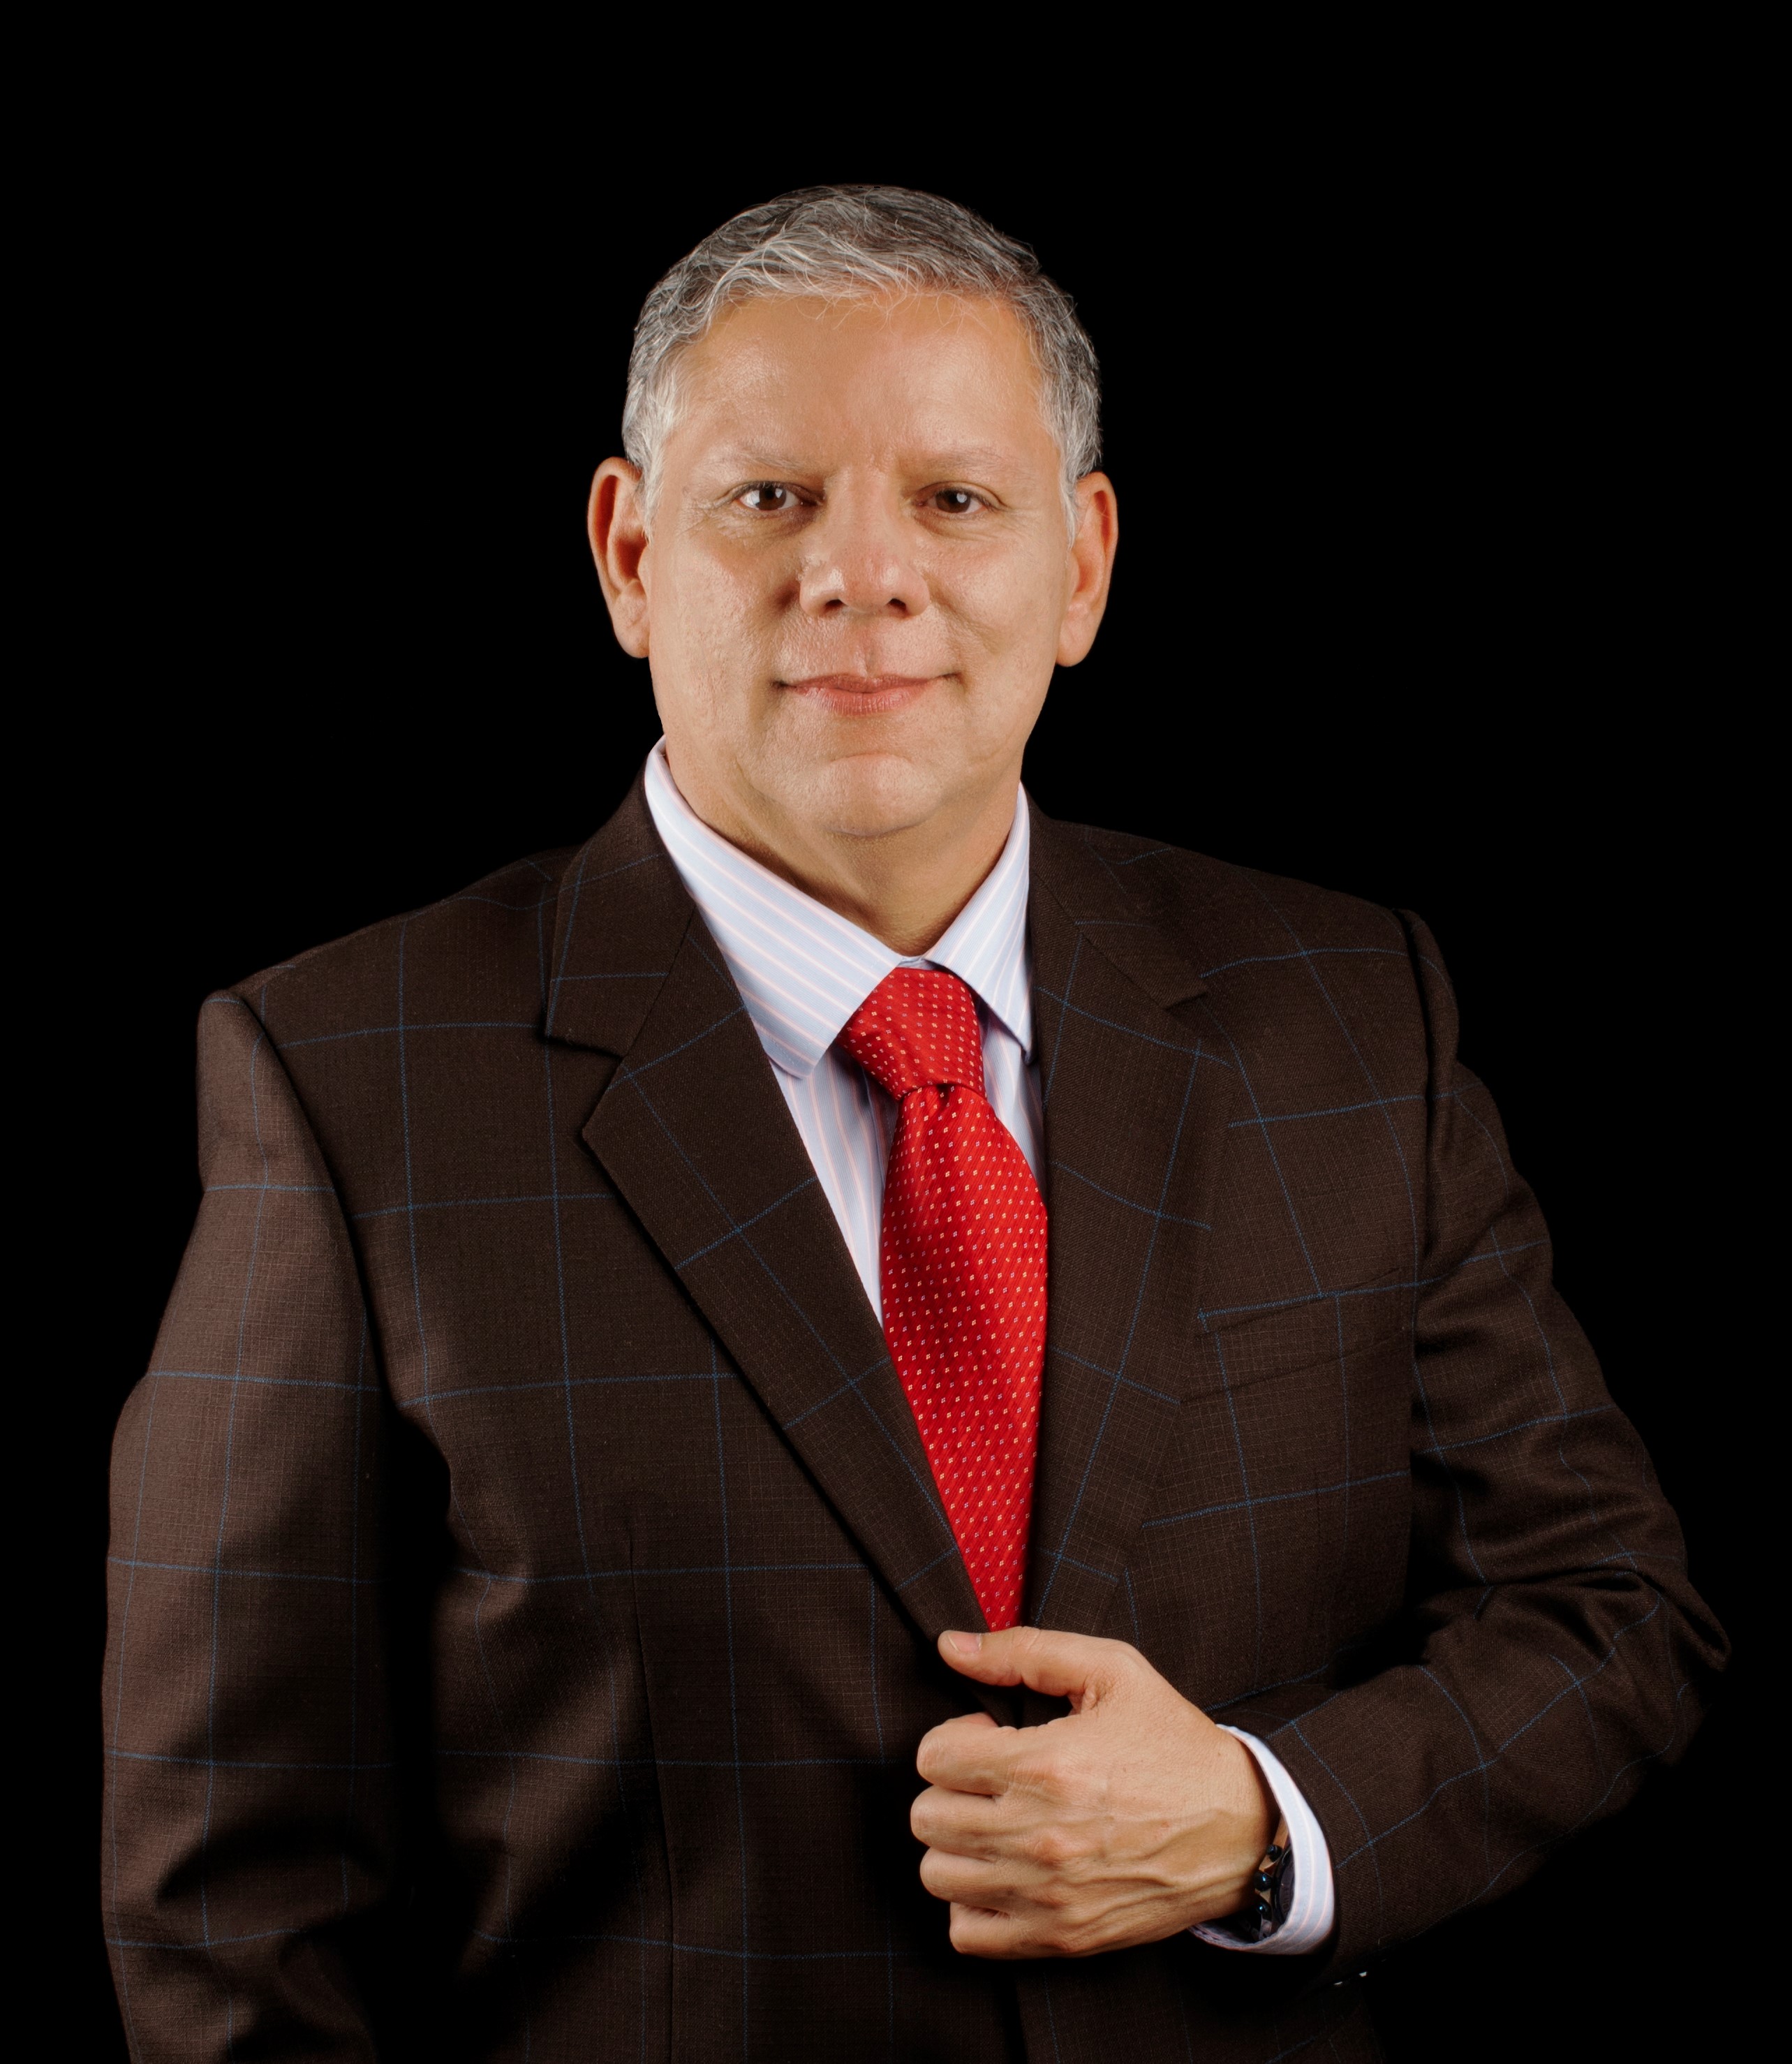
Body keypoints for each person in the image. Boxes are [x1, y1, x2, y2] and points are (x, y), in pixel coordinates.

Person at [104, 185, 1724, 2063]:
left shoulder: (1350, 1012)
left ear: (1083, 566)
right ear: (630, 555)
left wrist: (1267, 1822)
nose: (861, 575)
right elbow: (231, 1901)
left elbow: (1609, 1608)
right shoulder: (345, 1079)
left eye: (955, 498)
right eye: (768, 496)